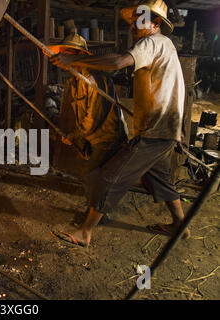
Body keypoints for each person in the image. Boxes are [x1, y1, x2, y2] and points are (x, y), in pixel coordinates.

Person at [50, 0, 190, 246]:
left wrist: (73, 62)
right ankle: (180, 224)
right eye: (134, 19)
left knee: (110, 177)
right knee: (159, 178)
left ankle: (85, 232)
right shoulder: (165, 46)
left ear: (156, 23)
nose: (134, 24)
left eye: (141, 19)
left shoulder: (152, 42)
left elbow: (117, 63)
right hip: (164, 128)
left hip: (156, 130)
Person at [49, 32, 127, 212]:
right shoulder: (75, 80)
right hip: (93, 136)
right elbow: (80, 114)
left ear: (81, 56)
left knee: (91, 174)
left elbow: (93, 117)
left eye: (69, 53)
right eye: (64, 53)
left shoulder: (93, 79)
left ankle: (100, 213)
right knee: (93, 175)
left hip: (107, 137)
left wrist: (75, 136)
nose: (64, 58)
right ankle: (97, 208)